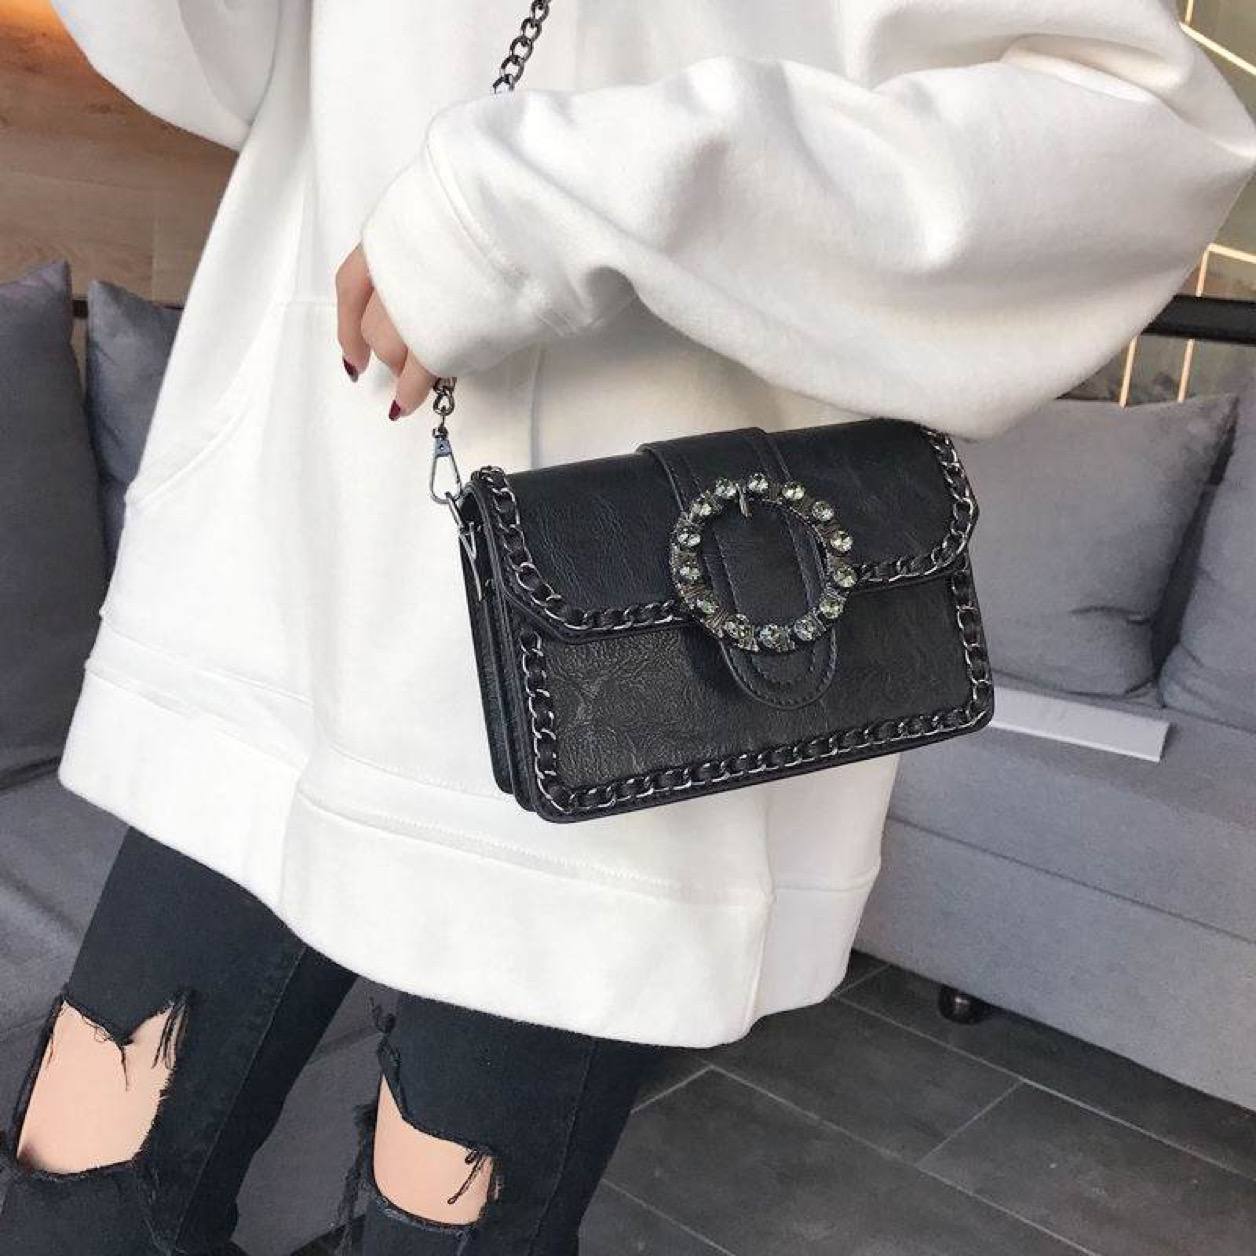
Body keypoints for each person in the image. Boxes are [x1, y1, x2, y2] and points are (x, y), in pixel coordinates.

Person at [3, 1, 1253, 1253]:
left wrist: (549, 199)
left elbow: (1135, 139)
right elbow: (224, 63)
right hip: (277, 591)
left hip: (612, 669)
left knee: (436, 1221)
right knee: (76, 1188)